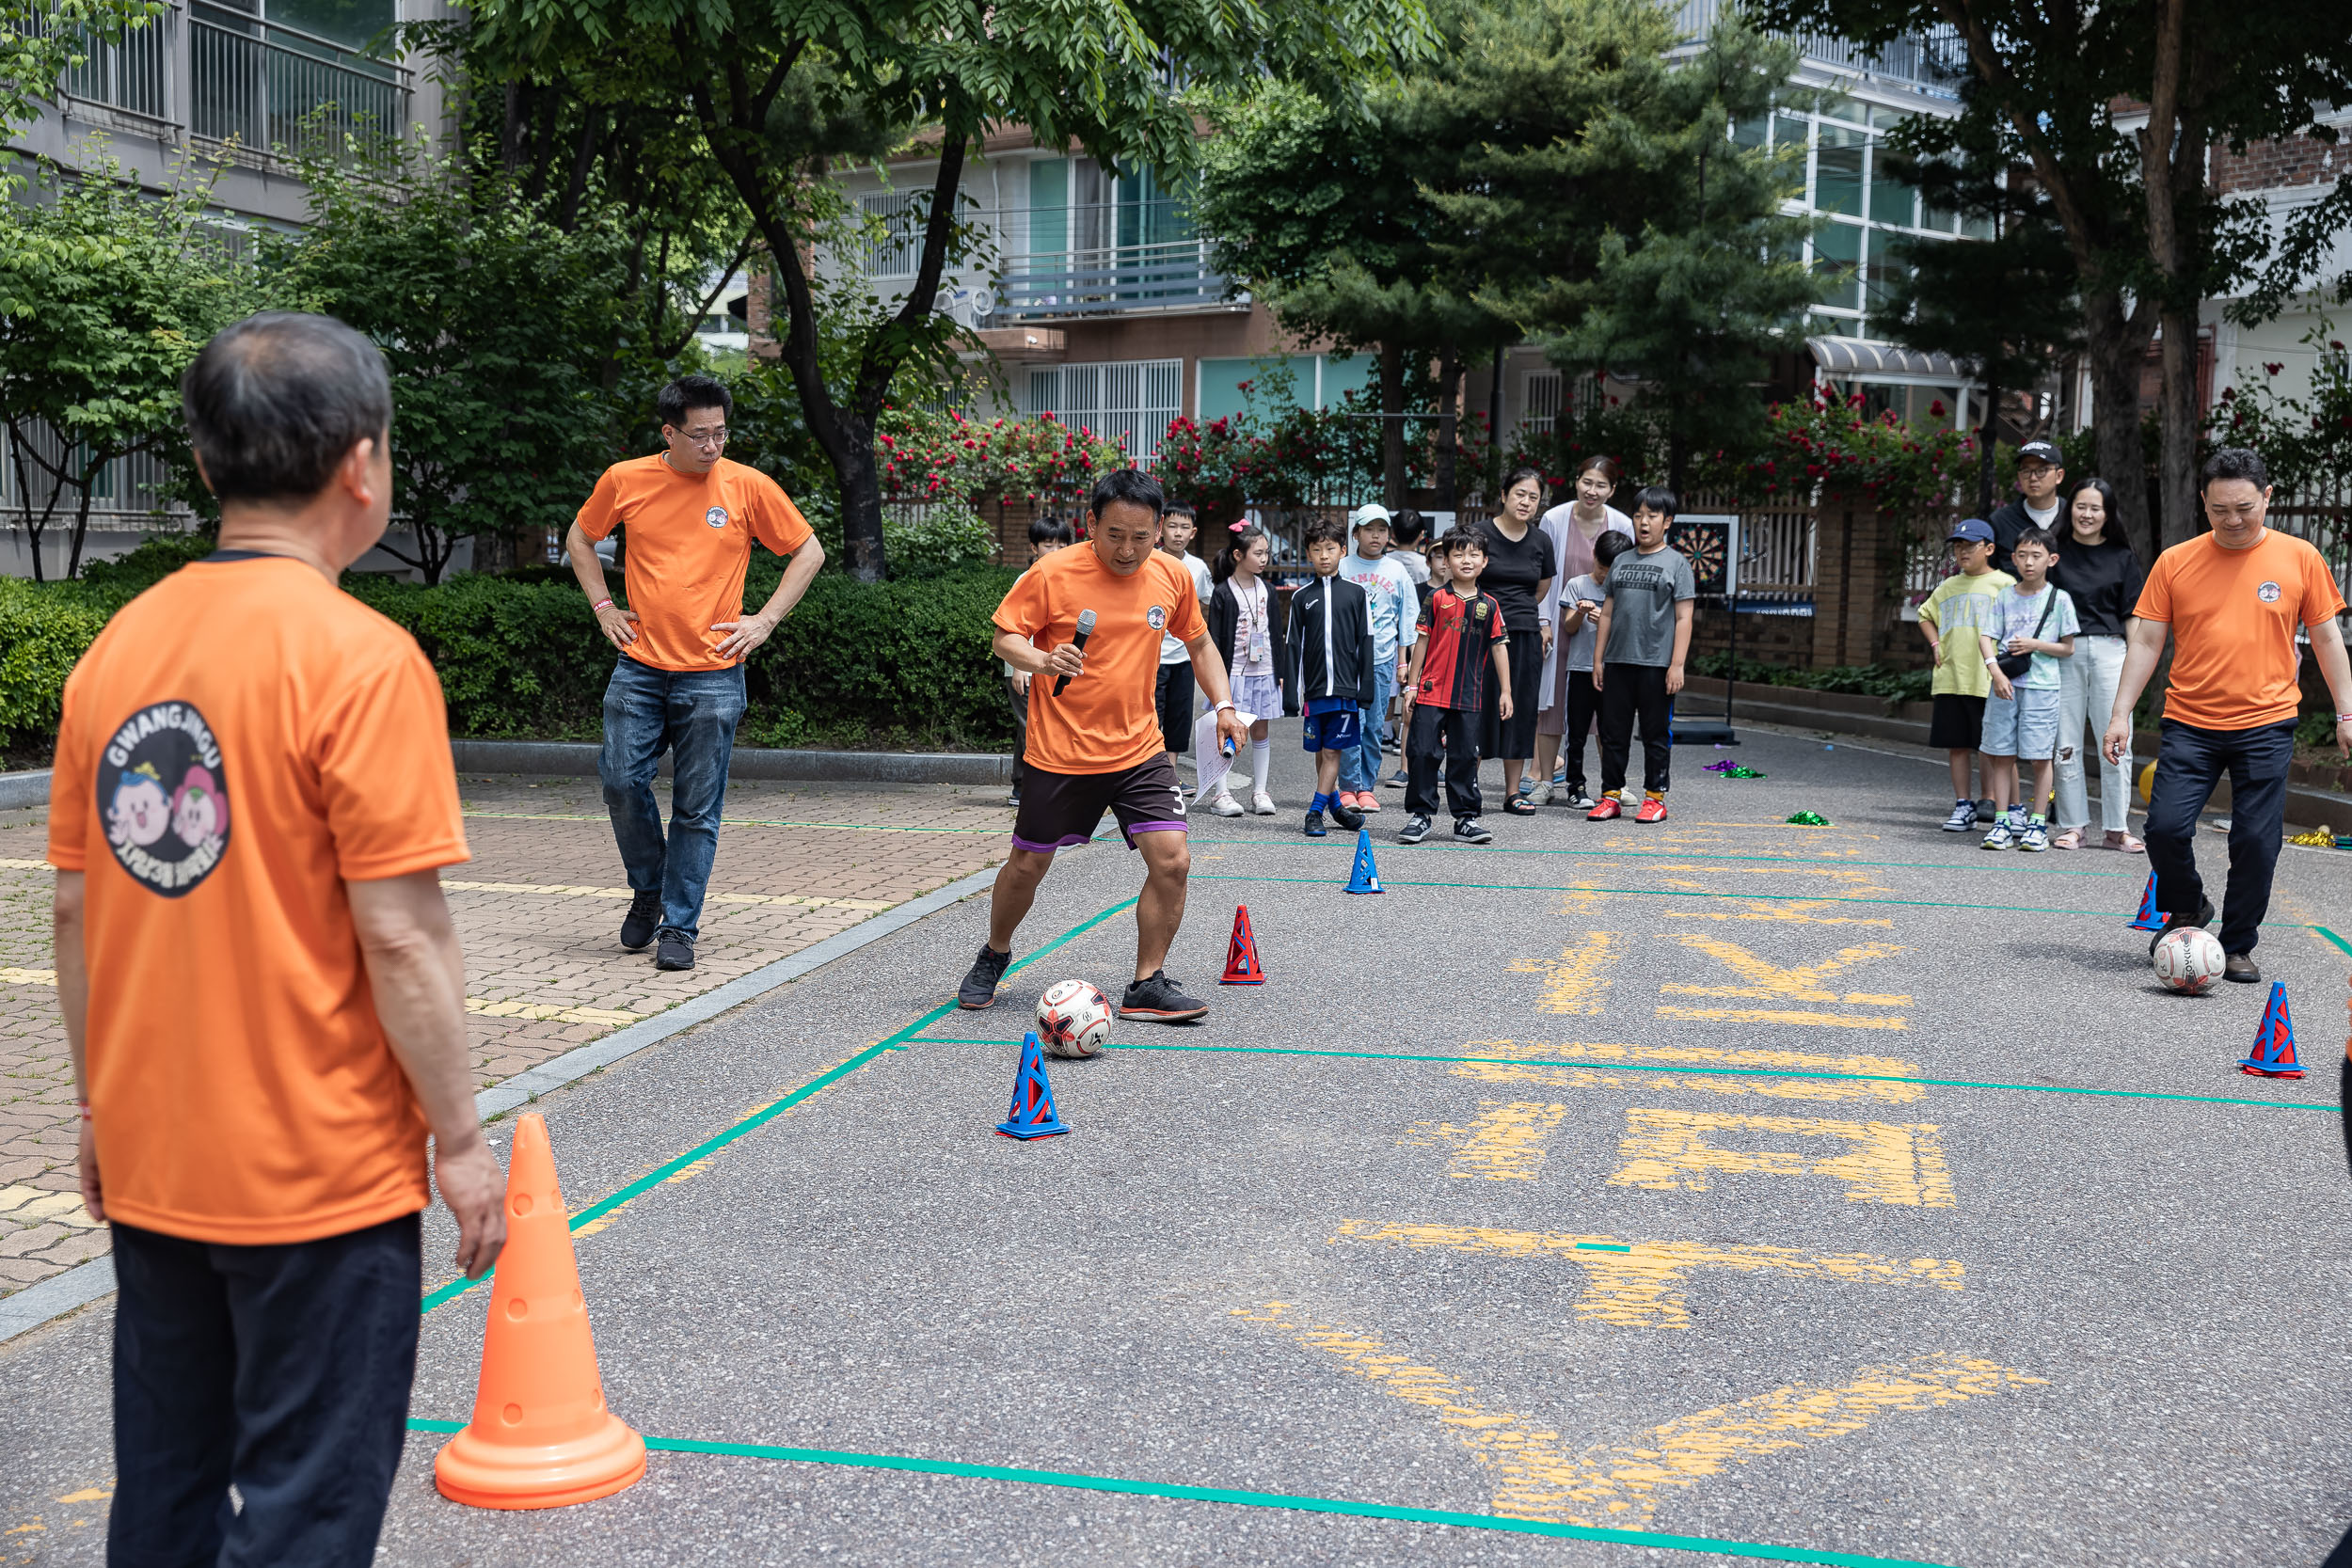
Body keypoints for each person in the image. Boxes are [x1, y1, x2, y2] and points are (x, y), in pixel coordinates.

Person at [48, 311, 506, 1566]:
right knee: (305, 1503)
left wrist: (98, 1110)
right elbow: (403, 937)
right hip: (319, 1177)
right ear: (365, 465)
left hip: (155, 1156)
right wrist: (460, 1141)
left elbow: (79, 907)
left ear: (205, 467)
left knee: (169, 1483)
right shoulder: (361, 660)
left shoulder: (114, 653)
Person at [960, 468, 1250, 1019]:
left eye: (1141, 537)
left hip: (1139, 748)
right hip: (1060, 751)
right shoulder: (1053, 572)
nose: (1127, 549)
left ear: (1160, 529)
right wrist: (1043, 660)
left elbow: (1201, 643)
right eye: (1115, 534)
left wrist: (1225, 706)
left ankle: (1146, 984)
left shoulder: (1172, 576)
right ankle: (995, 953)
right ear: (1091, 522)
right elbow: (1005, 637)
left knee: (1174, 861)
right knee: (1027, 866)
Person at [566, 372, 825, 974]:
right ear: (669, 432)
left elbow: (807, 551)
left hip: (713, 673)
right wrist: (603, 606)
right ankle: (650, 887)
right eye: (700, 435)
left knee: (696, 807)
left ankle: (679, 925)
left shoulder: (746, 485)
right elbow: (581, 539)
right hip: (639, 665)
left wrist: (764, 621)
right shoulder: (625, 480)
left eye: (721, 433)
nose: (713, 446)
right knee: (620, 781)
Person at [2105, 447, 2352, 983]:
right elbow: (2147, 640)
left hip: (2267, 723)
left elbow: (2328, 638)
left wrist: (2346, 712)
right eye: (2219, 510)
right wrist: (2121, 712)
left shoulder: (2300, 557)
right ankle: (2190, 908)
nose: (2233, 520)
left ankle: (2238, 944)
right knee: (2165, 828)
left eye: (2244, 508)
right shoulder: (2176, 560)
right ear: (2203, 503)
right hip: (2190, 721)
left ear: (2267, 497)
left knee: (2256, 840)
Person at [2045, 478, 2145, 850]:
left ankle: (2117, 828)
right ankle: (2072, 825)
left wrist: (2137, 665)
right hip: (2062, 654)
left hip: (2110, 652)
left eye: (2095, 508)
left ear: (2108, 514)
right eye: (2080, 506)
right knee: (2065, 742)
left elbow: (2133, 616)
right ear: (2069, 508)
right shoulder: (2053, 553)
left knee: (2118, 739)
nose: (2086, 514)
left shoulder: (2122, 557)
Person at [1588, 486, 1695, 822]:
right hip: (1618, 662)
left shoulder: (1677, 563)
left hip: (1656, 664)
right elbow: (1606, 613)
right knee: (1613, 734)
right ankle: (1611, 796)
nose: (1643, 522)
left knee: (1654, 734)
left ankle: (1655, 797)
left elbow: (1684, 617)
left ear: (1668, 522)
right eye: (1638, 515)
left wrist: (1677, 665)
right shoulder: (1621, 560)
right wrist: (1598, 659)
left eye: (1652, 516)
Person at [1399, 530, 1512, 845]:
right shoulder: (1436, 599)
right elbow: (1421, 642)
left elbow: (1499, 647)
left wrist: (1506, 691)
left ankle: (1465, 819)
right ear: (1446, 561)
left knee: (1464, 756)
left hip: (1469, 695)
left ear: (1484, 561)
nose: (1466, 560)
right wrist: (1412, 684)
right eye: (1458, 554)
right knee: (1422, 751)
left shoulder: (1489, 605)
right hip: (1431, 691)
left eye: (1474, 554)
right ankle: (1420, 815)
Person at [1534, 455, 1635, 800]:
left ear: (1613, 489)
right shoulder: (1554, 518)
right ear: (1576, 480)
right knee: (1552, 703)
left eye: (1601, 485)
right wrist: (1544, 621)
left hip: (1607, 631)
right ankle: (1546, 781)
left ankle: (1614, 785)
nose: (1592, 491)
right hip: (1562, 623)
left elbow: (1629, 580)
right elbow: (1544, 574)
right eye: (1587, 482)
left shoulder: (1622, 524)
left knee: (1609, 708)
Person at [1977, 526, 2079, 851]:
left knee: (2039, 757)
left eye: (2036, 556)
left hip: (2043, 688)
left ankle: (2037, 823)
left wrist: (2035, 643)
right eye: (2022, 555)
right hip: (2005, 685)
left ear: (2052, 559)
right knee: (2002, 755)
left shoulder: (2060, 599)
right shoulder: (2005, 595)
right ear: (2013, 558)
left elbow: (2068, 648)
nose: (2029, 562)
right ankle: (2003, 822)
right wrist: (1996, 673)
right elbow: (1986, 636)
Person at [1916, 518, 2016, 833]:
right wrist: (1935, 643)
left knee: (1994, 746)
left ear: (1989, 548)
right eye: (1958, 547)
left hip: (1988, 679)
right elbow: (1924, 615)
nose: (1962, 552)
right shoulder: (1948, 586)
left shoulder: (2004, 584)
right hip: (1951, 678)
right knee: (1957, 745)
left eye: (1970, 546)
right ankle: (1963, 805)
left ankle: (2002, 804)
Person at [1288, 515, 1378, 837]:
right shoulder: (1301, 597)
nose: (1324, 555)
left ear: (1343, 550)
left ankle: (1315, 812)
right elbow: (1292, 646)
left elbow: (1366, 643)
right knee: (1321, 750)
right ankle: (1336, 805)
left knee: (1331, 752)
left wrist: (1365, 688)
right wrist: (1290, 692)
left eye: (1330, 548)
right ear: (1309, 554)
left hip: (1344, 689)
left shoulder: (1357, 595)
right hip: (1314, 690)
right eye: (1316, 549)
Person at [1472, 467, 1554, 814]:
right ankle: (1467, 786)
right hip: (1478, 633)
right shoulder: (1479, 534)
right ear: (1503, 494)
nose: (1525, 502)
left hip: (1523, 632)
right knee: (1475, 707)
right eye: (1520, 493)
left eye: (1533, 497)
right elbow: (1463, 572)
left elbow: (1542, 586)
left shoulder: (1540, 541)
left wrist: (1516, 613)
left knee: (1519, 709)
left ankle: (1512, 792)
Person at [1338, 504, 1420, 815]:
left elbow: (1406, 619)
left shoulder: (1396, 570)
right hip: (1347, 661)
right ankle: (1347, 787)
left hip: (1382, 660)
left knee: (1373, 726)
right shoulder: (1343, 567)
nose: (1376, 536)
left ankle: (1366, 787)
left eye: (1382, 530)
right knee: (1349, 724)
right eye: (1369, 529)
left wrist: (1403, 662)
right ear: (1356, 533)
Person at [1202, 522, 1286, 817]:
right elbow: (1215, 639)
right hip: (1233, 673)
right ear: (1238, 555)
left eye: (1266, 553)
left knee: (1261, 730)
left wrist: (1281, 671)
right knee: (1225, 731)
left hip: (1263, 671)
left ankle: (1260, 791)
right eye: (1259, 553)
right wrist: (1217, 678)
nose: (1264, 559)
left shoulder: (1269, 590)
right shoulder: (1224, 592)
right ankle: (1220, 793)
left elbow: (1277, 633)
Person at [1551, 530, 1632, 811]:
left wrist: (1605, 621)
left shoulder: (1625, 590)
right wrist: (1582, 613)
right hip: (1580, 668)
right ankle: (1576, 787)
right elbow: (1568, 628)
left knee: (1612, 733)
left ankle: (1613, 788)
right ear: (1593, 558)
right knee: (1576, 732)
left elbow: (1629, 632)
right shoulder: (1576, 585)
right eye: (1601, 568)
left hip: (1615, 671)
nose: (1603, 576)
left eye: (1610, 571)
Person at [1004, 514, 1076, 809]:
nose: (1055, 552)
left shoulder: (1067, 578)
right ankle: (1024, 787)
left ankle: (1025, 785)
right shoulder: (1028, 578)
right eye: (1048, 545)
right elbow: (1015, 632)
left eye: (1061, 545)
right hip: (1024, 666)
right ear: (1034, 549)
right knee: (1029, 726)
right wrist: (1020, 668)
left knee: (1036, 725)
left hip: (1047, 668)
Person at [1153, 502, 1216, 789]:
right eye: (1173, 526)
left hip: (1182, 657)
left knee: (1179, 717)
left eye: (1184, 528)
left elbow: (1205, 605)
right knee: (1152, 714)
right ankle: (1148, 774)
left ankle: (1170, 775)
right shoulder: (1149, 560)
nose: (1178, 534)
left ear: (1193, 532)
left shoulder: (1198, 568)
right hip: (1151, 657)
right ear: (1161, 528)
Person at [1989, 438, 2066, 578]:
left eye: (2041, 470)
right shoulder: (2000, 522)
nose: (2033, 478)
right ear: (2019, 476)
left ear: (2059, 476)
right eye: (2026, 471)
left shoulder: (2073, 517)